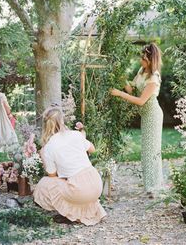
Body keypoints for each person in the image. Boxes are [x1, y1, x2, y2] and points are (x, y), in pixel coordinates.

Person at [33, 106, 106, 226]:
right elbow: (92, 149)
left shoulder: (49, 147)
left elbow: (52, 175)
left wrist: (43, 157)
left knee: (44, 184)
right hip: (96, 184)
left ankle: (70, 214)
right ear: (62, 121)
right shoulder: (75, 135)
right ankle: (82, 211)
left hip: (80, 190)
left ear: (46, 125)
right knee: (71, 184)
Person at [111, 42, 164, 197]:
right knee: (147, 151)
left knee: (152, 151)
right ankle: (151, 185)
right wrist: (119, 76)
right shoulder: (142, 71)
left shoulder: (154, 78)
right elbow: (131, 89)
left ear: (149, 59)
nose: (140, 60)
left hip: (152, 115)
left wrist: (119, 94)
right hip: (145, 115)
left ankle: (154, 187)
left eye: (143, 57)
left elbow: (140, 100)